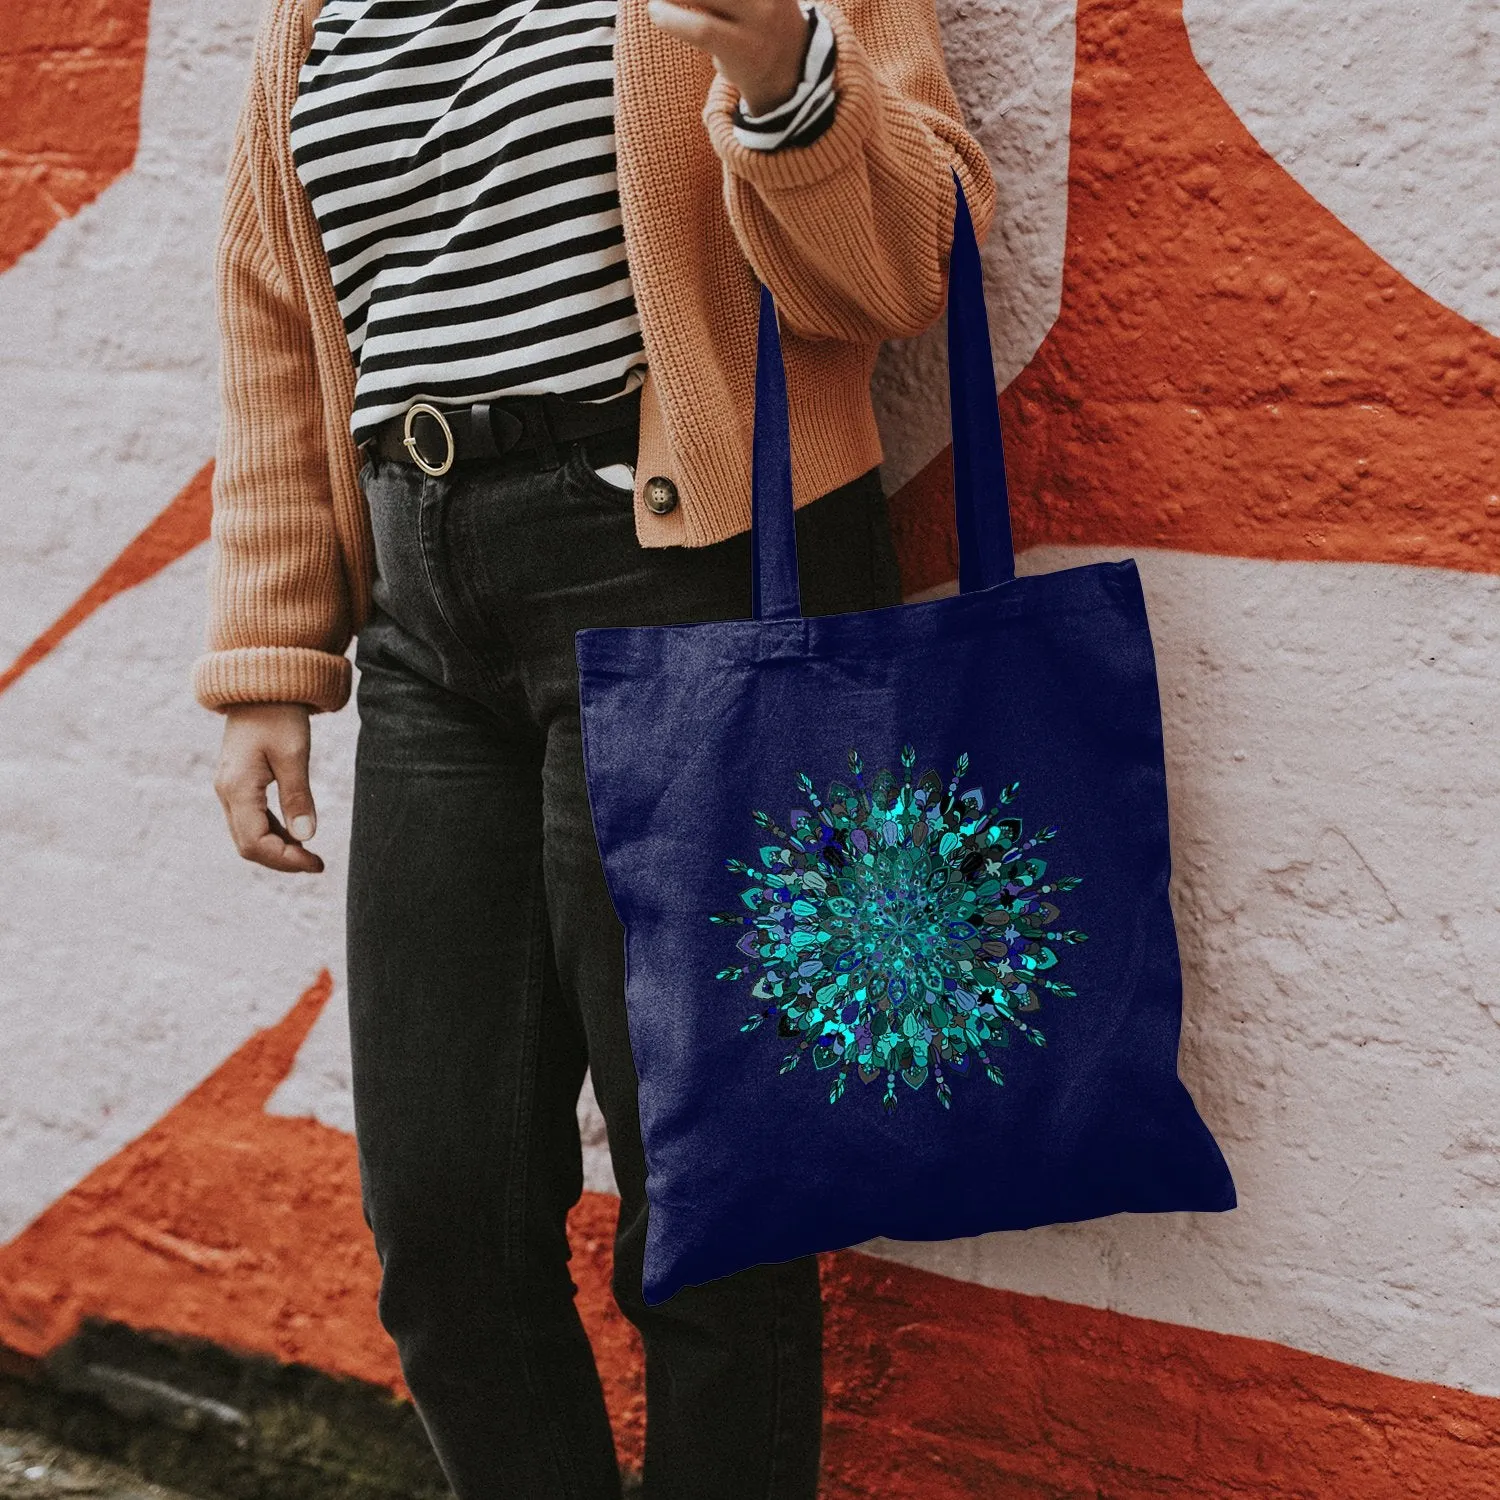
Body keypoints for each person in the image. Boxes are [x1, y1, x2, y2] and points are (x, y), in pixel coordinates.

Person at [197, 0, 995, 1493]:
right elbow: (272, 315)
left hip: (691, 582)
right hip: (426, 617)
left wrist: (780, 71)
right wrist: (268, 651)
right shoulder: (311, 12)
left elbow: (903, 267)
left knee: (706, 1218)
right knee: (445, 1231)